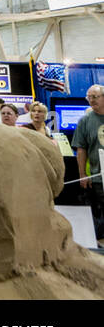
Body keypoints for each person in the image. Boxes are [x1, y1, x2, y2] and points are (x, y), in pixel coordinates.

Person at [71, 85, 104, 247]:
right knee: (99, 212)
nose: (91, 100)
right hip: (98, 177)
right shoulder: (85, 121)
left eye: (95, 97)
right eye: (88, 97)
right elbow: (81, 148)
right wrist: (82, 174)